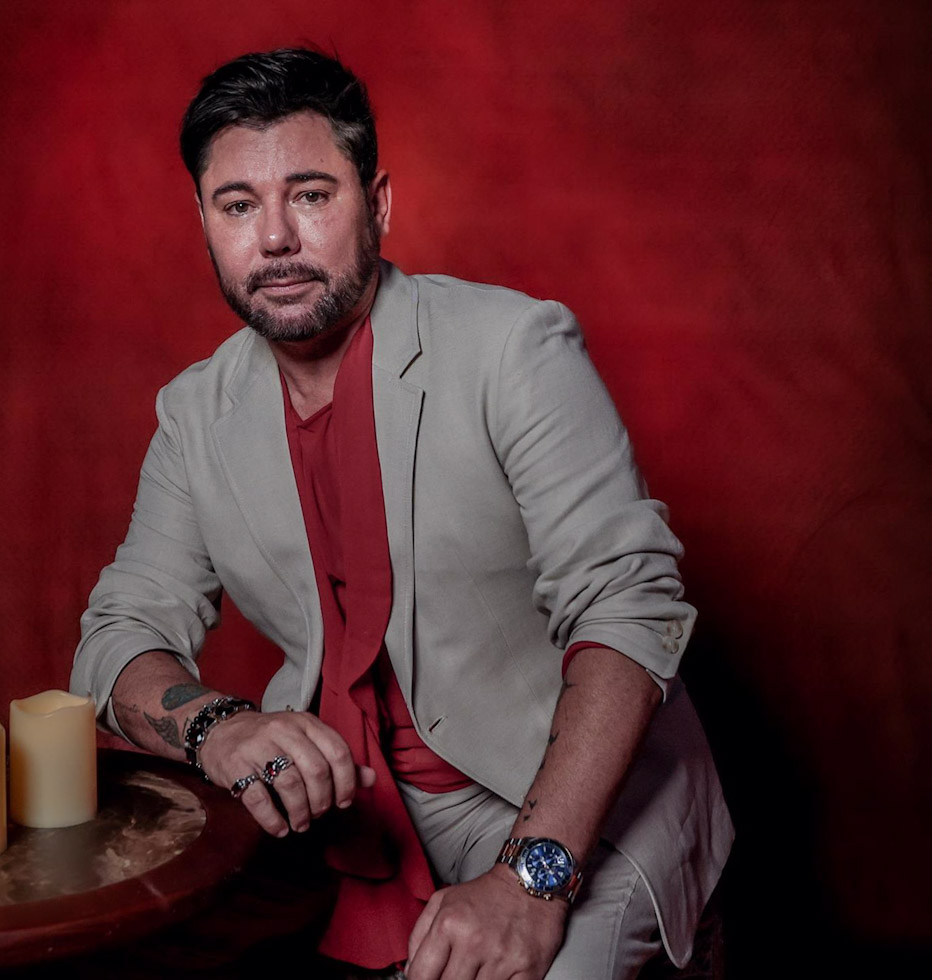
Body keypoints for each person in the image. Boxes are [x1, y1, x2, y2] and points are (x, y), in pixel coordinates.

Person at [72, 47, 732, 980]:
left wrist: (532, 883)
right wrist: (219, 727)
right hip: (355, 820)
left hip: (577, 807)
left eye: (310, 195)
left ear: (377, 204)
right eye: (238, 206)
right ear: (204, 223)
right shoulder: (194, 415)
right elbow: (117, 636)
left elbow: (629, 610)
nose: (275, 239)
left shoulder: (514, 348)